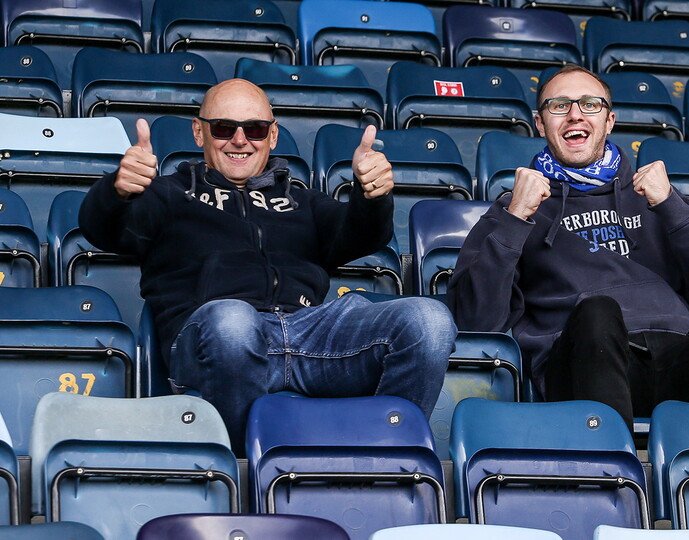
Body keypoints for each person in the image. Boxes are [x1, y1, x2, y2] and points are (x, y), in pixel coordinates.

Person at [80, 79, 457, 452]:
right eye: (224, 128)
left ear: (273, 136)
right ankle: (244, 470)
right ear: (199, 133)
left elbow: (361, 235)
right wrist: (117, 190)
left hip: (310, 334)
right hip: (216, 338)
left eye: (255, 129)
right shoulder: (167, 194)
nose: (240, 140)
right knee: (232, 321)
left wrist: (371, 196)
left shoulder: (302, 200)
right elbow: (101, 229)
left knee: (429, 319)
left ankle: (389, 453)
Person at [448, 66, 689, 429]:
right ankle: (612, 473)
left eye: (590, 105)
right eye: (559, 105)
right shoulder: (516, 207)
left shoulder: (658, 198)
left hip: (682, 360)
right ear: (539, 122)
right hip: (586, 359)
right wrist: (517, 216)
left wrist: (671, 205)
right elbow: (477, 319)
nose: (575, 114)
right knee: (598, 312)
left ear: (609, 120)